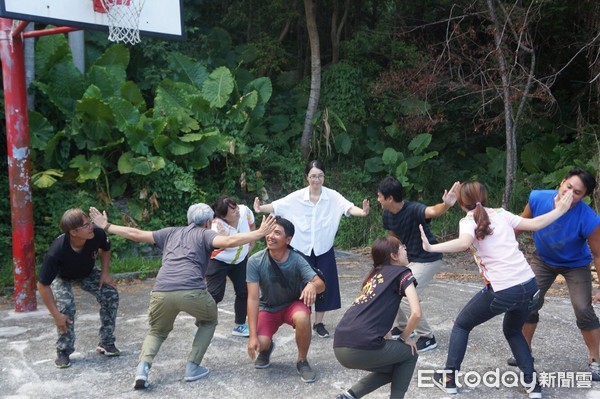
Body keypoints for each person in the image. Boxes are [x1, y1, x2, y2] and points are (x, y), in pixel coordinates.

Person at [89, 204, 276, 390]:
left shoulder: (170, 232)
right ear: (208, 222)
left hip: (161, 292)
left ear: (188, 220)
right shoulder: (206, 234)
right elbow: (228, 242)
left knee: (156, 331)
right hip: (192, 291)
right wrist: (259, 233)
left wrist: (107, 226)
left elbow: (136, 234)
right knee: (209, 321)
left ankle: (142, 370)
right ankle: (192, 367)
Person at [419, 180, 573, 398]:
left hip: (504, 290)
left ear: (462, 203)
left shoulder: (468, 220)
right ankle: (533, 385)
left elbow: (464, 243)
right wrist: (560, 210)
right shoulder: (501, 213)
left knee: (461, 325)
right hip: (530, 286)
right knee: (512, 331)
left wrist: (431, 247)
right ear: (485, 196)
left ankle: (449, 378)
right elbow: (537, 224)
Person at [253, 160, 369, 338]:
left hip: (324, 248)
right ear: (307, 177)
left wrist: (362, 212)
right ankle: (303, 319)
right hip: (301, 249)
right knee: (302, 285)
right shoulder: (297, 197)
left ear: (324, 176)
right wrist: (260, 208)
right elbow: (277, 206)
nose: (317, 179)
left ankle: (319, 322)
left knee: (324, 285)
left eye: (320, 175)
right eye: (313, 176)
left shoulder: (333, 196)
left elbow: (348, 207)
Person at [509, 167, 600, 381]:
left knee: (582, 308)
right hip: (543, 259)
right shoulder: (538, 198)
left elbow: (598, 254)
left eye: (577, 192)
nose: (570, 194)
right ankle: (525, 353)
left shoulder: (589, 219)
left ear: (584, 197)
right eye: (569, 187)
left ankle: (596, 359)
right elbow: (519, 227)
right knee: (528, 301)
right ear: (562, 182)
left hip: (575, 264)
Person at [377, 176, 459, 352]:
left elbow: (433, 211)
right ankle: (402, 326)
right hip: (410, 258)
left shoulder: (413, 209)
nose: (378, 199)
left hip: (428, 258)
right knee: (391, 286)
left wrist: (446, 205)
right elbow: (393, 234)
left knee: (407, 296)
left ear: (389, 198)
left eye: (379, 196)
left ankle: (427, 337)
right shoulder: (387, 213)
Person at [333, 236, 421, 399]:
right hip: (361, 346)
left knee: (394, 368)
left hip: (339, 346)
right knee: (411, 353)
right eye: (402, 247)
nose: (405, 250)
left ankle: (348, 396)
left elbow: (380, 320)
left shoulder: (374, 277)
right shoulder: (402, 273)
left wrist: (391, 339)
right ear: (394, 256)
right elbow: (416, 313)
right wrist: (403, 338)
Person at [246, 216, 326, 383]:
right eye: (269, 232)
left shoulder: (296, 259)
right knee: (260, 343)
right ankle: (267, 349)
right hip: (268, 307)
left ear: (288, 240)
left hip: (292, 304)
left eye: (277, 233)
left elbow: (320, 284)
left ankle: (302, 360)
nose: (270, 236)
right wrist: (252, 335)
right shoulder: (255, 261)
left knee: (303, 317)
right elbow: (253, 299)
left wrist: (312, 286)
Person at [37, 208, 119, 369]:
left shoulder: (96, 234)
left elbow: (106, 248)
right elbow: (42, 285)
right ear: (73, 232)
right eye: (86, 225)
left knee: (110, 294)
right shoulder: (57, 251)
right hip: (62, 277)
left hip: (87, 272)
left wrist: (105, 273)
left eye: (90, 223)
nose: (91, 226)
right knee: (66, 309)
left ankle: (106, 342)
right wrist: (55, 315)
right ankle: (63, 351)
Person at [206, 196, 256, 337]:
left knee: (244, 292)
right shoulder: (216, 226)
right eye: (232, 210)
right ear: (223, 216)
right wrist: (227, 235)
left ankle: (240, 325)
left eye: (236, 207)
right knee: (215, 295)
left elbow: (252, 225)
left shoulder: (245, 210)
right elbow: (228, 243)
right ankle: (202, 323)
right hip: (218, 261)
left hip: (240, 260)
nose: (237, 211)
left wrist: (250, 246)